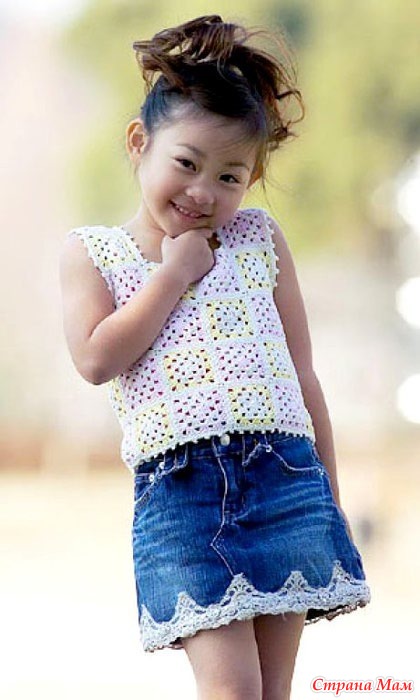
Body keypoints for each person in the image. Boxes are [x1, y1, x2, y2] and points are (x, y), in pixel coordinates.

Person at [60, 14, 370, 700]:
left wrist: (331, 494)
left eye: (230, 176)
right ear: (139, 143)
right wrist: (172, 275)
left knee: (272, 692)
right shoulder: (95, 253)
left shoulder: (260, 238)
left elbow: (302, 376)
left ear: (251, 179)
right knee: (231, 689)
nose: (203, 192)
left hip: (286, 478)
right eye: (187, 164)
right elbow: (95, 358)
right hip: (184, 493)